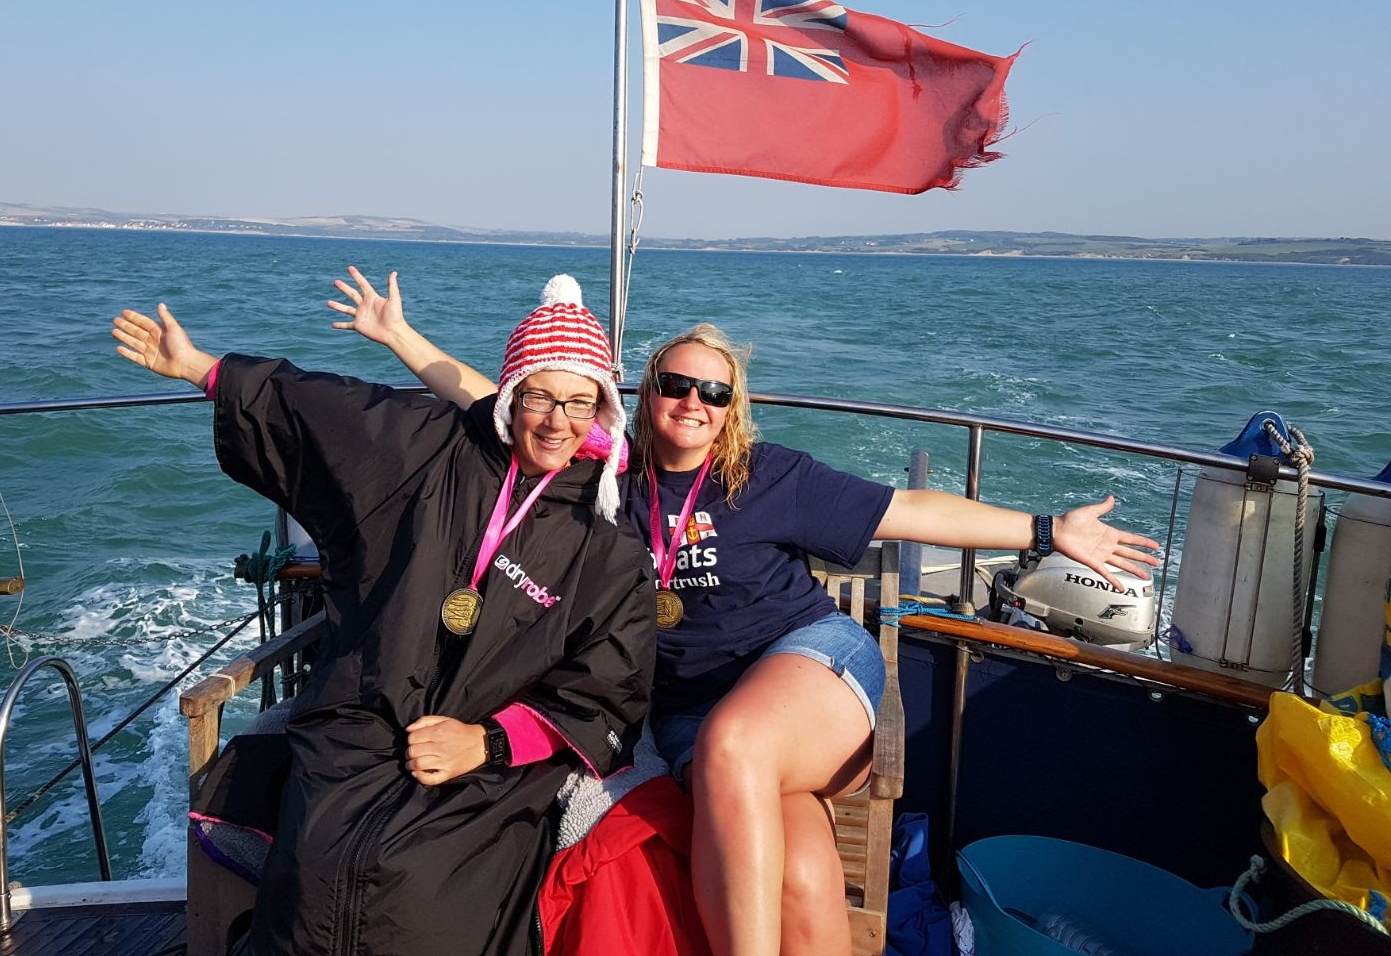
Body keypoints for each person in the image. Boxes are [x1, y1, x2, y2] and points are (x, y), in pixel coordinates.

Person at [327, 267, 1162, 956]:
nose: (694, 401)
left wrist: (1048, 530)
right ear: (644, 395)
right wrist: (400, 338)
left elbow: (909, 509)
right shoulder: (608, 476)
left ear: (733, 406)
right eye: (676, 385)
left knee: (738, 746)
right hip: (690, 716)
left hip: (810, 674)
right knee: (800, 871)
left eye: (715, 392)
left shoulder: (769, 477)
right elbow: (501, 397)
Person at [112, 275, 654, 956]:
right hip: (363, 712)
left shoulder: (607, 540)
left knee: (422, 894)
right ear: (511, 395)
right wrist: (200, 368)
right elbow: (324, 410)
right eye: (539, 397)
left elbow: (607, 688)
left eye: (578, 402)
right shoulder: (433, 449)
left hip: (490, 763)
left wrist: (484, 742)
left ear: (602, 410)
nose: (556, 421)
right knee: (316, 870)